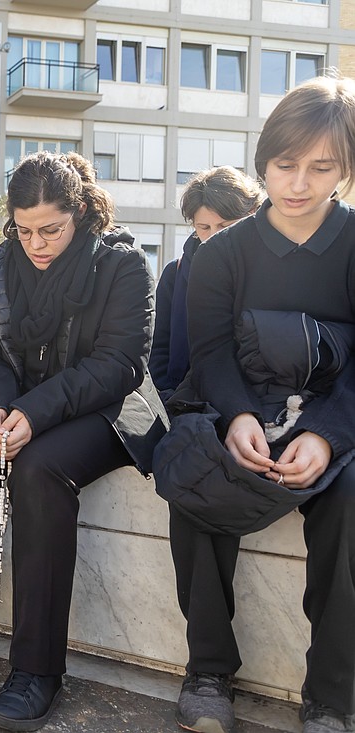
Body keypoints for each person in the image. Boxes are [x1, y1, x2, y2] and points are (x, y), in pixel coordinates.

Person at [0, 151, 167, 731]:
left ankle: (38, 667)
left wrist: (33, 414)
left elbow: (120, 363)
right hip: (13, 403)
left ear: (83, 213)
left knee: (40, 470)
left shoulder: (125, 265)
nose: (36, 244)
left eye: (51, 230)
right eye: (24, 229)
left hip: (101, 409)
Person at [160, 76, 355, 733]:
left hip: (336, 411)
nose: (299, 182)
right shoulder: (222, 254)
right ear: (263, 162)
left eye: (321, 167)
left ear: (347, 169)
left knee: (353, 497)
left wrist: (326, 434)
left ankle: (331, 693)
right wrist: (239, 416)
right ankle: (209, 669)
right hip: (241, 402)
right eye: (284, 164)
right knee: (194, 473)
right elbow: (209, 354)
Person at [150, 167, 263, 398]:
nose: (213, 237)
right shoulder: (175, 272)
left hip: (248, 402)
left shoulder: (268, 271)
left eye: (225, 226)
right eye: (204, 227)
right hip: (179, 399)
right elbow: (159, 346)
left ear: (253, 214)